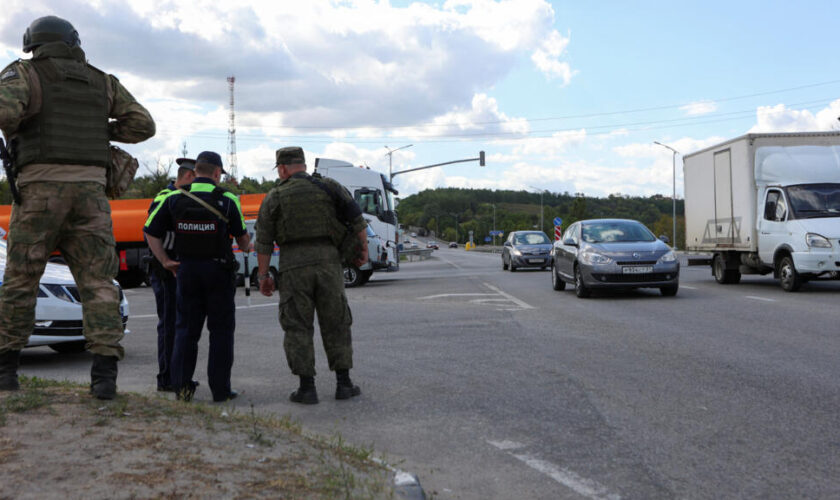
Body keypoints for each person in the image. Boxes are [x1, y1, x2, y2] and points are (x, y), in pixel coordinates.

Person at [0, 16, 155, 398]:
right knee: (99, 282)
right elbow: (143, 125)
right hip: (91, 193)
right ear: (73, 41)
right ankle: (104, 378)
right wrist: (102, 129)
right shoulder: (102, 80)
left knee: (21, 280)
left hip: (40, 191)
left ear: (33, 43)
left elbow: (5, 114)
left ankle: (6, 374)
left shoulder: (24, 73)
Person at [255, 146, 367, 404]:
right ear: (303, 165)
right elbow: (358, 221)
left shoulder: (274, 196)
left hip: (293, 265)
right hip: (329, 262)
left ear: (282, 168)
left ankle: (307, 389)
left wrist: (263, 277)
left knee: (297, 326)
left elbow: (263, 242)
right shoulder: (330, 186)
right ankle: (344, 383)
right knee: (336, 321)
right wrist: (362, 254)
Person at [144, 151, 249, 402]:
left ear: (196, 171)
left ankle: (181, 388)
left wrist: (165, 261)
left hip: (186, 271)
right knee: (221, 332)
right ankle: (220, 390)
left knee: (185, 331)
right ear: (216, 173)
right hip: (218, 273)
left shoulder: (174, 199)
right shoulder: (228, 199)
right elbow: (244, 242)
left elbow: (150, 231)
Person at [147, 158, 196, 392]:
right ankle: (166, 377)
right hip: (166, 274)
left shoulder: (185, 198)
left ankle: (179, 376)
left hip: (182, 271)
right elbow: (149, 231)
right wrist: (165, 261)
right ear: (188, 177)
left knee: (182, 325)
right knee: (168, 325)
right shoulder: (165, 197)